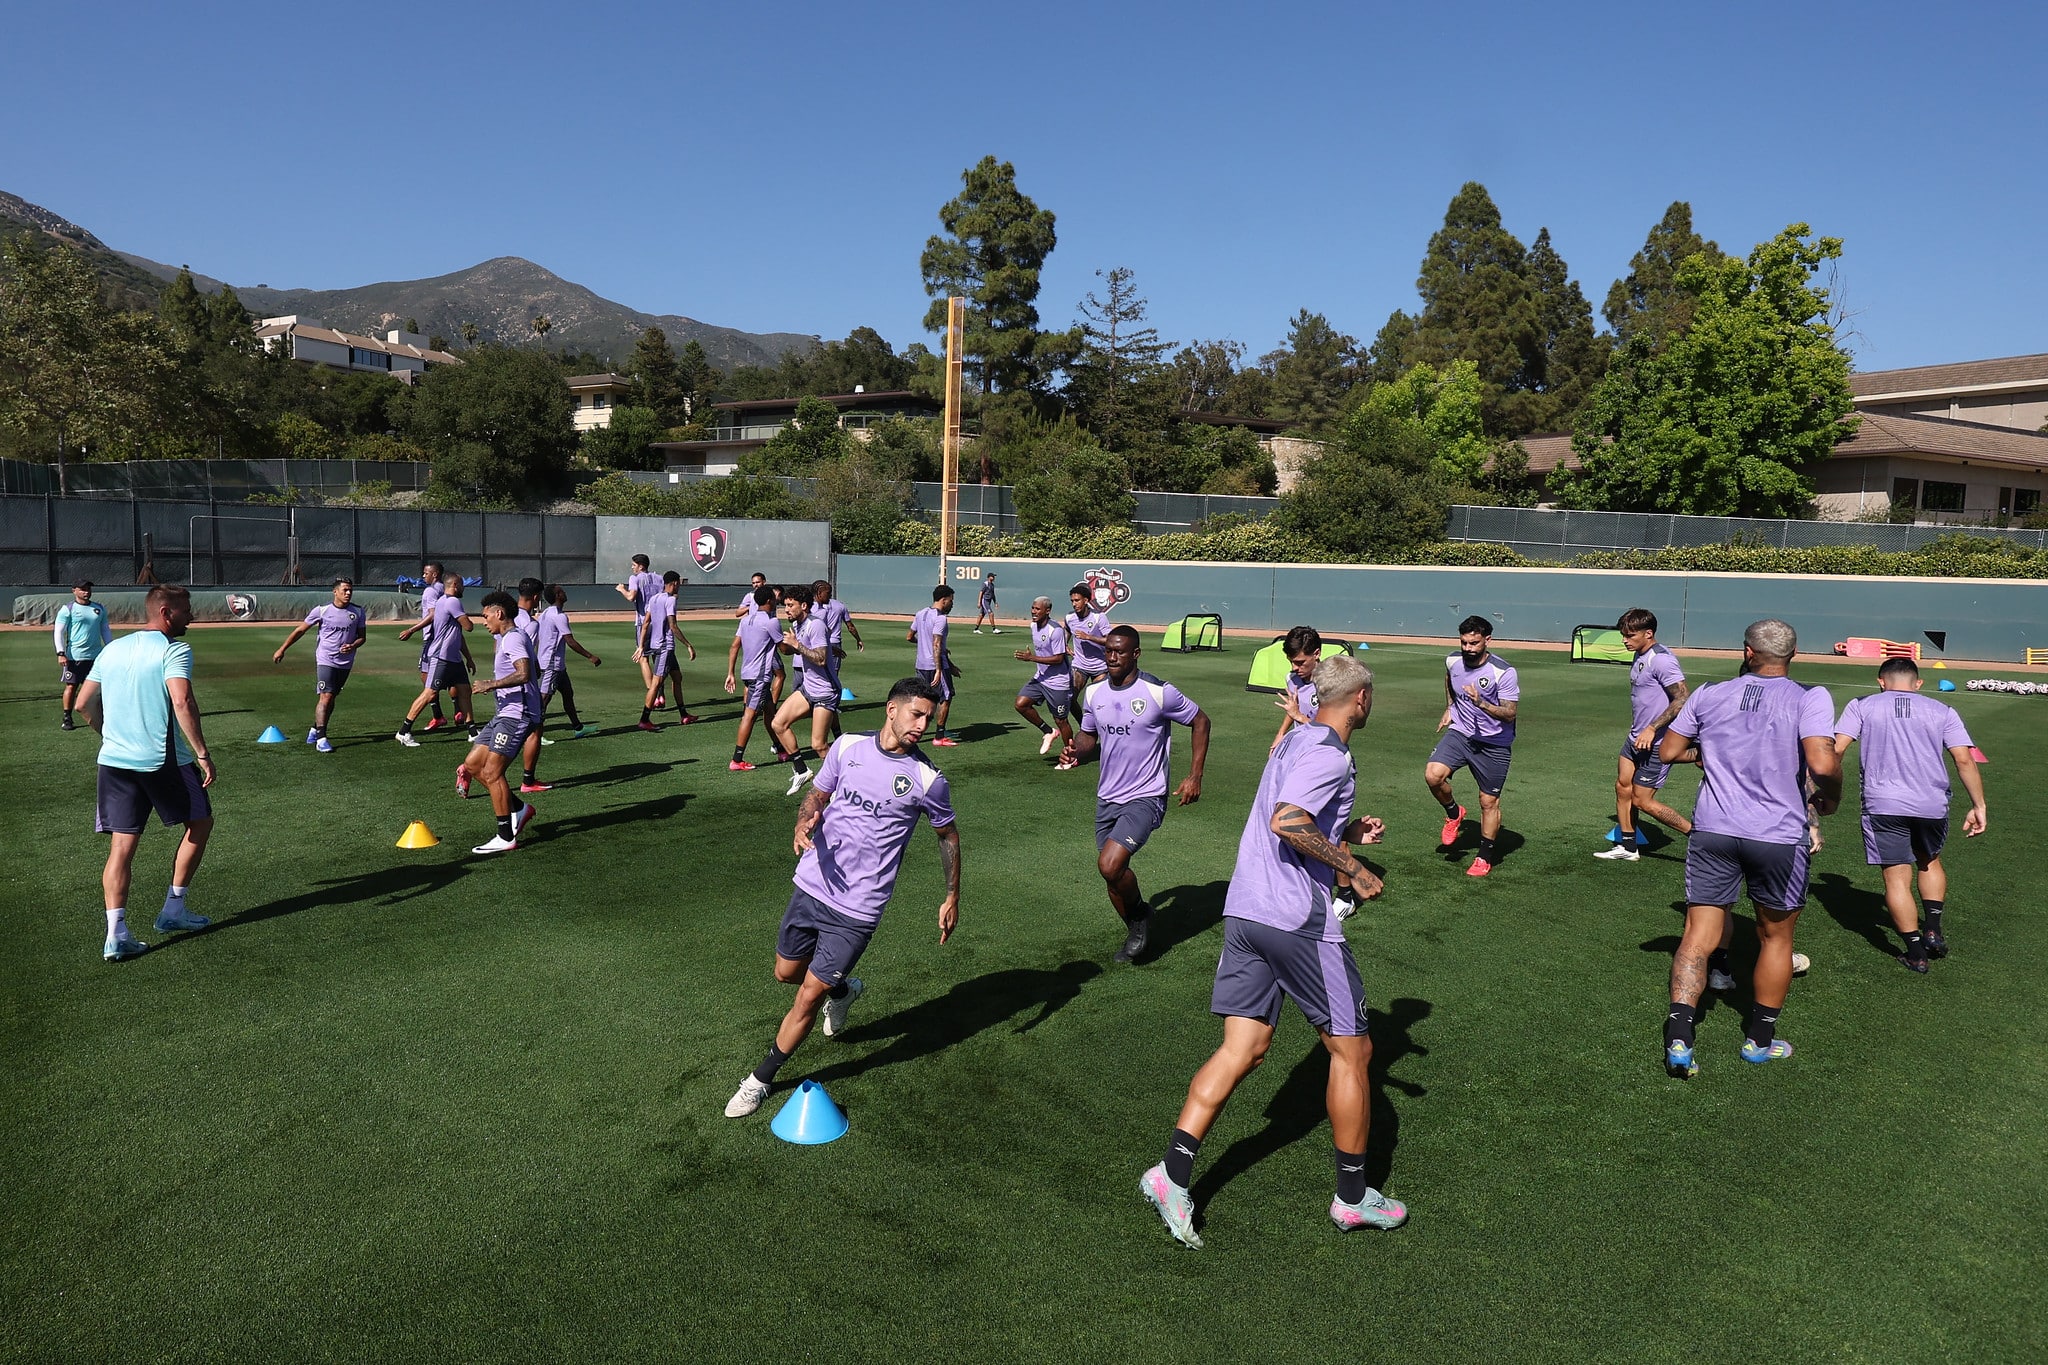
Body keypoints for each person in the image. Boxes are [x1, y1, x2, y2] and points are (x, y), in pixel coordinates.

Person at [1140, 655, 1404, 1247]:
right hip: (1296, 921)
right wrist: (1353, 866)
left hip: (1244, 910)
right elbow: (1289, 820)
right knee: (1353, 1052)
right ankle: (1354, 1197)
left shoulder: (1295, 739)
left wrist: (1343, 829)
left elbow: (1292, 813)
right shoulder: (1329, 752)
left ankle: (1171, 1174)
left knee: (1245, 1047)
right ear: (1360, 701)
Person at [724, 677, 961, 1120]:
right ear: (892, 710)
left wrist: (951, 895)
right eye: (917, 714)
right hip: (813, 883)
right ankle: (845, 989)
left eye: (929, 717)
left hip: (859, 907)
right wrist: (804, 821)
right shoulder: (847, 746)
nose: (924, 725)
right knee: (786, 973)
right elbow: (818, 795)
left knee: (808, 997)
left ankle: (760, 1080)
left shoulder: (928, 779)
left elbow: (947, 835)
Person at [1657, 619, 1840, 1077]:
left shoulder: (1708, 693)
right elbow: (1820, 761)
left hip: (1714, 829)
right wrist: (1832, 794)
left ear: (1747, 651)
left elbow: (1668, 752)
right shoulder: (1810, 696)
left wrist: (1713, 754)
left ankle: (1680, 1037)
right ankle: (1758, 1042)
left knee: (1697, 936)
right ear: (1793, 655)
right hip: (1777, 836)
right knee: (1776, 938)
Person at [72, 585, 216, 961]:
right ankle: (173, 910)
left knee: (122, 846)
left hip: (114, 761)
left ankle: (115, 934)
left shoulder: (114, 648)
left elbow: (84, 704)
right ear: (166, 613)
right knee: (200, 823)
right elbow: (182, 700)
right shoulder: (174, 649)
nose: (192, 616)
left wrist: (110, 734)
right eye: (187, 610)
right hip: (161, 760)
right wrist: (202, 753)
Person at [1062, 625, 1210, 963]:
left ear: (1135, 654)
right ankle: (1137, 920)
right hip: (1107, 796)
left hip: (1147, 796)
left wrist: (1194, 776)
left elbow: (1201, 721)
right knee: (1112, 875)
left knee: (1110, 864)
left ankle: (1139, 919)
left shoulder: (1159, 692)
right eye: (1108, 651)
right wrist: (1077, 753)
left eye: (1120, 651)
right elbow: (1088, 738)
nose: (1112, 657)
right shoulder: (1095, 694)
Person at [1834, 658, 1988, 971]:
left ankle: (1915, 951)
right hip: (1931, 804)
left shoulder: (1861, 705)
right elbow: (1963, 760)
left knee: (1895, 876)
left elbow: (1836, 750)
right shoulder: (1941, 710)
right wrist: (1979, 805)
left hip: (1883, 804)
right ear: (1918, 683)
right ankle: (1933, 927)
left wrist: (1821, 791)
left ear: (1881, 681)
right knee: (1929, 860)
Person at [1596, 608, 1696, 862]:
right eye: (1623, 635)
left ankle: (1698, 838)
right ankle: (1628, 848)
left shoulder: (1661, 659)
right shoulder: (1641, 654)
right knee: (1622, 787)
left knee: (1642, 801)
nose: (1624, 640)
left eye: (1630, 635)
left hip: (1657, 742)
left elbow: (1682, 698)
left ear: (1648, 633)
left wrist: (1652, 728)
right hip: (1635, 739)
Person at [1424, 615, 1520, 877]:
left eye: (1474, 643)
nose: (1468, 648)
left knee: (1488, 801)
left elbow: (1510, 714)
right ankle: (1454, 813)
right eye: (1464, 642)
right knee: (1433, 775)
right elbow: (1449, 678)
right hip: (1461, 733)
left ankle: (1484, 856)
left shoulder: (1504, 672)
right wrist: (1450, 707)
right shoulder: (1453, 660)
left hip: (1494, 743)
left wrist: (1481, 704)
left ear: (1487, 640)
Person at [462, 591, 542, 855]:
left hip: (517, 715)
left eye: (486, 616)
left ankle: (505, 835)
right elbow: (535, 670)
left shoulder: (514, 638)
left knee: (492, 773)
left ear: (499, 614)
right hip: (505, 712)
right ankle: (519, 808)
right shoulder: (508, 638)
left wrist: (491, 684)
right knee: (473, 766)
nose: (484, 622)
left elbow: (525, 673)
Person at [271, 577, 367, 752]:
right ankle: (321, 739)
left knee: (331, 698)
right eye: (345, 590)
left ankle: (315, 729)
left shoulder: (358, 612)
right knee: (326, 696)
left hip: (345, 662)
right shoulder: (322, 611)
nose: (348, 593)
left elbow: (362, 637)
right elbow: (300, 630)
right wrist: (282, 648)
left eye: (350, 590)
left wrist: (353, 645)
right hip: (325, 659)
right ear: (335, 591)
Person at [770, 585, 840, 797]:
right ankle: (801, 770)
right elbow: (794, 649)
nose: (786, 609)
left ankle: (841, 785)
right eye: (785, 606)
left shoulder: (814, 624)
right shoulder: (797, 624)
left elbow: (819, 658)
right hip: (808, 688)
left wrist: (796, 644)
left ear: (804, 605)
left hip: (825, 692)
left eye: (790, 605)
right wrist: (780, 641)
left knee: (818, 745)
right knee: (778, 724)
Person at [396, 576, 476, 745]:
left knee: (465, 691)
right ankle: (403, 731)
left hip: (454, 658)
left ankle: (472, 731)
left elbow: (458, 634)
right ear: (455, 585)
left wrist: (468, 658)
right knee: (430, 692)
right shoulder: (452, 602)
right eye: (462, 585)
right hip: (441, 656)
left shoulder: (441, 601)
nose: (463, 588)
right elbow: (469, 627)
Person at [725, 584, 790, 770]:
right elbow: (783, 649)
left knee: (770, 713)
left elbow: (735, 645)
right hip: (759, 676)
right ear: (770, 600)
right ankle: (737, 759)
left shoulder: (745, 621)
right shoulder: (771, 622)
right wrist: (798, 647)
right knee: (750, 715)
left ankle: (780, 748)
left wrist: (730, 672)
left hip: (747, 673)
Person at [536, 583, 601, 742]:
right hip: (551, 664)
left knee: (567, 694)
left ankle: (578, 728)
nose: (564, 593)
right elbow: (570, 641)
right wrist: (590, 656)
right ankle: (535, 735)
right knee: (544, 699)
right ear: (557, 596)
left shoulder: (545, 613)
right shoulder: (559, 616)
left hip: (556, 664)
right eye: (561, 591)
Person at [636, 571, 700, 731]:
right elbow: (673, 625)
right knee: (656, 684)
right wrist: (688, 644)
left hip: (657, 645)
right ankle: (644, 719)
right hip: (665, 647)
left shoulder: (654, 598)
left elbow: (645, 624)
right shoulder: (670, 600)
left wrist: (641, 645)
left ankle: (684, 715)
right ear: (674, 583)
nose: (680, 586)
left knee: (677, 678)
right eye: (679, 583)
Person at [1012, 595, 1073, 757]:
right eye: (1033, 608)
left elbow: (1059, 658)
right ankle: (1048, 731)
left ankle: (1070, 755)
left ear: (1047, 611)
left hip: (1058, 682)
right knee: (1021, 704)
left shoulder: (1056, 630)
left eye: (1037, 609)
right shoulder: (1033, 626)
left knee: (1061, 721)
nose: (1033, 611)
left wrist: (1031, 658)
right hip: (1041, 678)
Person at [53, 578, 111, 731]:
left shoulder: (99, 609)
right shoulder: (68, 609)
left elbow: (105, 629)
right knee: (71, 686)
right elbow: (58, 632)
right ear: (74, 590)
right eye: (83, 589)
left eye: (88, 589)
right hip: (75, 657)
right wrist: (61, 653)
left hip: (96, 656)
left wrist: (110, 648)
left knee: (98, 688)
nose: (86, 592)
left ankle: (103, 716)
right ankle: (67, 717)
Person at [812, 577, 864, 742]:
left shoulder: (815, 607)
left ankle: (820, 704)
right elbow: (850, 625)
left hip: (818, 642)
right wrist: (858, 639)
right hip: (833, 644)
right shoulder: (840, 606)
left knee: (819, 674)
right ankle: (829, 706)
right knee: (833, 676)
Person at [909, 585, 960, 746]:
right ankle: (939, 737)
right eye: (951, 601)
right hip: (935, 666)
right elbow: (937, 645)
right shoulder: (940, 618)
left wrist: (923, 644)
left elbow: (909, 637)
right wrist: (939, 669)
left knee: (922, 698)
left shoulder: (920, 613)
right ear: (944, 600)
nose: (952, 604)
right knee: (946, 698)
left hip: (921, 665)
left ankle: (910, 730)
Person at [617, 554, 666, 708]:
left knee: (643, 657)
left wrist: (622, 589)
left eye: (634, 565)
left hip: (644, 622)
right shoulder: (659, 578)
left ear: (640, 566)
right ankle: (661, 694)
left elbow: (632, 596)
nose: (632, 568)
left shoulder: (635, 578)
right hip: (659, 622)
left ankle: (653, 696)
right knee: (657, 658)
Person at [413, 561, 457, 731]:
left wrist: (412, 629)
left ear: (435, 574)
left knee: (426, 677)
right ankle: (459, 711)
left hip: (432, 639)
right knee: (454, 676)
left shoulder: (430, 591)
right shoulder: (445, 590)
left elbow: (432, 615)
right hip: (448, 636)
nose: (424, 576)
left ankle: (438, 716)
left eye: (426, 573)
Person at [1268, 625, 1324, 752]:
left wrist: (1299, 716)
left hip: (1323, 750)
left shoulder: (1331, 684)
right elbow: (1294, 708)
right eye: (1291, 662)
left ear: (1317, 654)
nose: (1294, 668)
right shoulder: (1292, 679)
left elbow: (1330, 730)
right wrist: (1281, 733)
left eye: (1300, 662)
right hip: (1300, 747)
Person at [1066, 585, 1111, 695]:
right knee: (1070, 697)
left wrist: (1089, 637)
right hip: (1079, 665)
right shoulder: (1069, 618)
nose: (1074, 604)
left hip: (1100, 666)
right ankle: (1081, 714)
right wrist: (1064, 645)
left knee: (1096, 699)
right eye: (1072, 601)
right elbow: (1067, 629)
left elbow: (1110, 640)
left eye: (1077, 600)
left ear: (1086, 600)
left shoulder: (1099, 617)